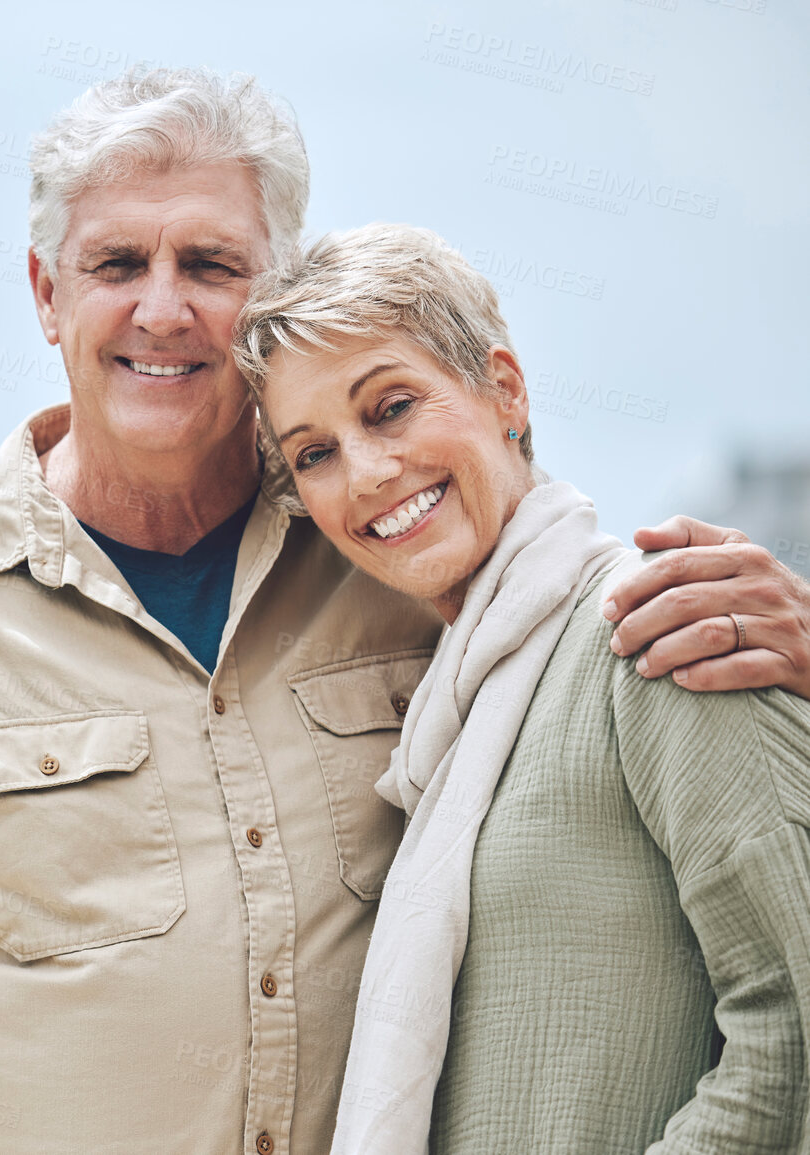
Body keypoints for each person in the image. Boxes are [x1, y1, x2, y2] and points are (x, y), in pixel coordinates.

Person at [0, 67, 810, 1154]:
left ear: (268, 297)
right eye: (114, 265)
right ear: (48, 296)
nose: (161, 306)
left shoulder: (409, 577)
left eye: (209, 263)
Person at [237, 222, 810, 1154]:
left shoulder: (653, 630)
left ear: (503, 388)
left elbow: (792, 1030)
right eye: (314, 454)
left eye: (389, 407)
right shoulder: (445, 720)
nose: (367, 474)